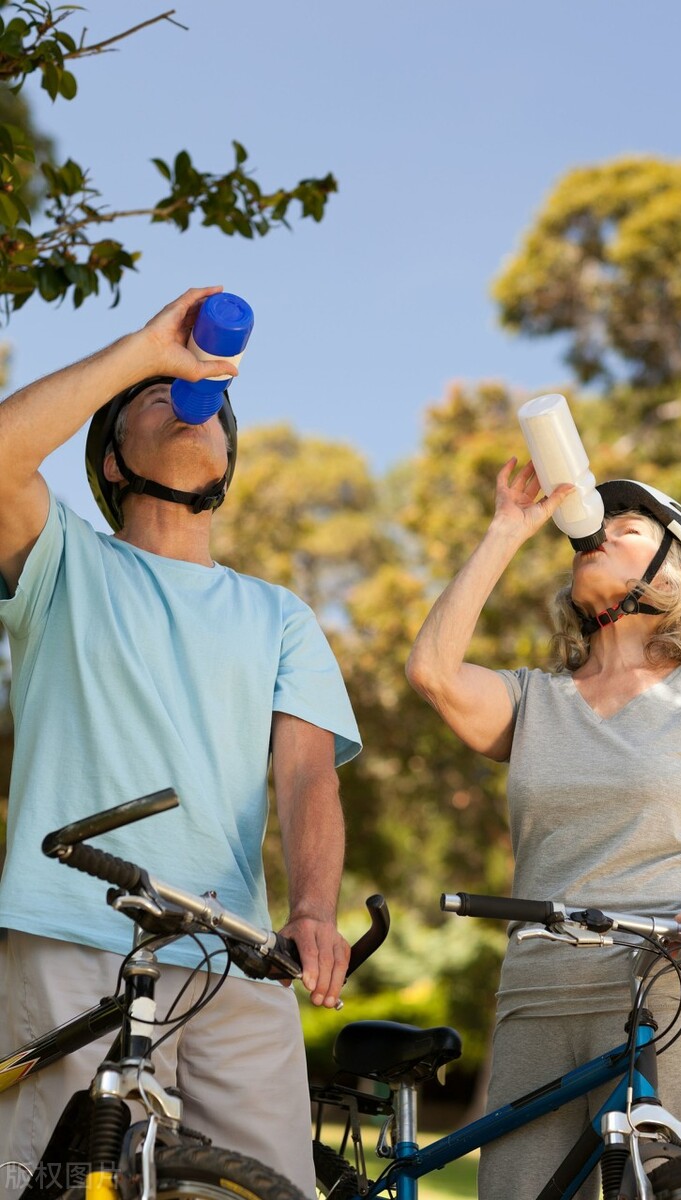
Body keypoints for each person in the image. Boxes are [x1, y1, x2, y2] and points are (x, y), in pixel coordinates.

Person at [0, 286, 361, 1197]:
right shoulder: (65, 565)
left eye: (198, 399)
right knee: (57, 1180)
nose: (183, 399)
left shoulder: (279, 614)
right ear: (111, 462)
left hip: (233, 950)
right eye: (150, 398)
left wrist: (314, 909)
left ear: (227, 460)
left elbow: (308, 776)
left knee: (270, 1184)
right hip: (71, 930)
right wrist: (141, 352)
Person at [406, 456, 681, 1200]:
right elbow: (431, 670)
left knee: (674, 1188)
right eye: (597, 530)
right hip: (538, 995)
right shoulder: (535, 701)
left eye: (627, 529)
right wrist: (505, 529)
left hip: (674, 989)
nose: (598, 535)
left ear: (674, 575)